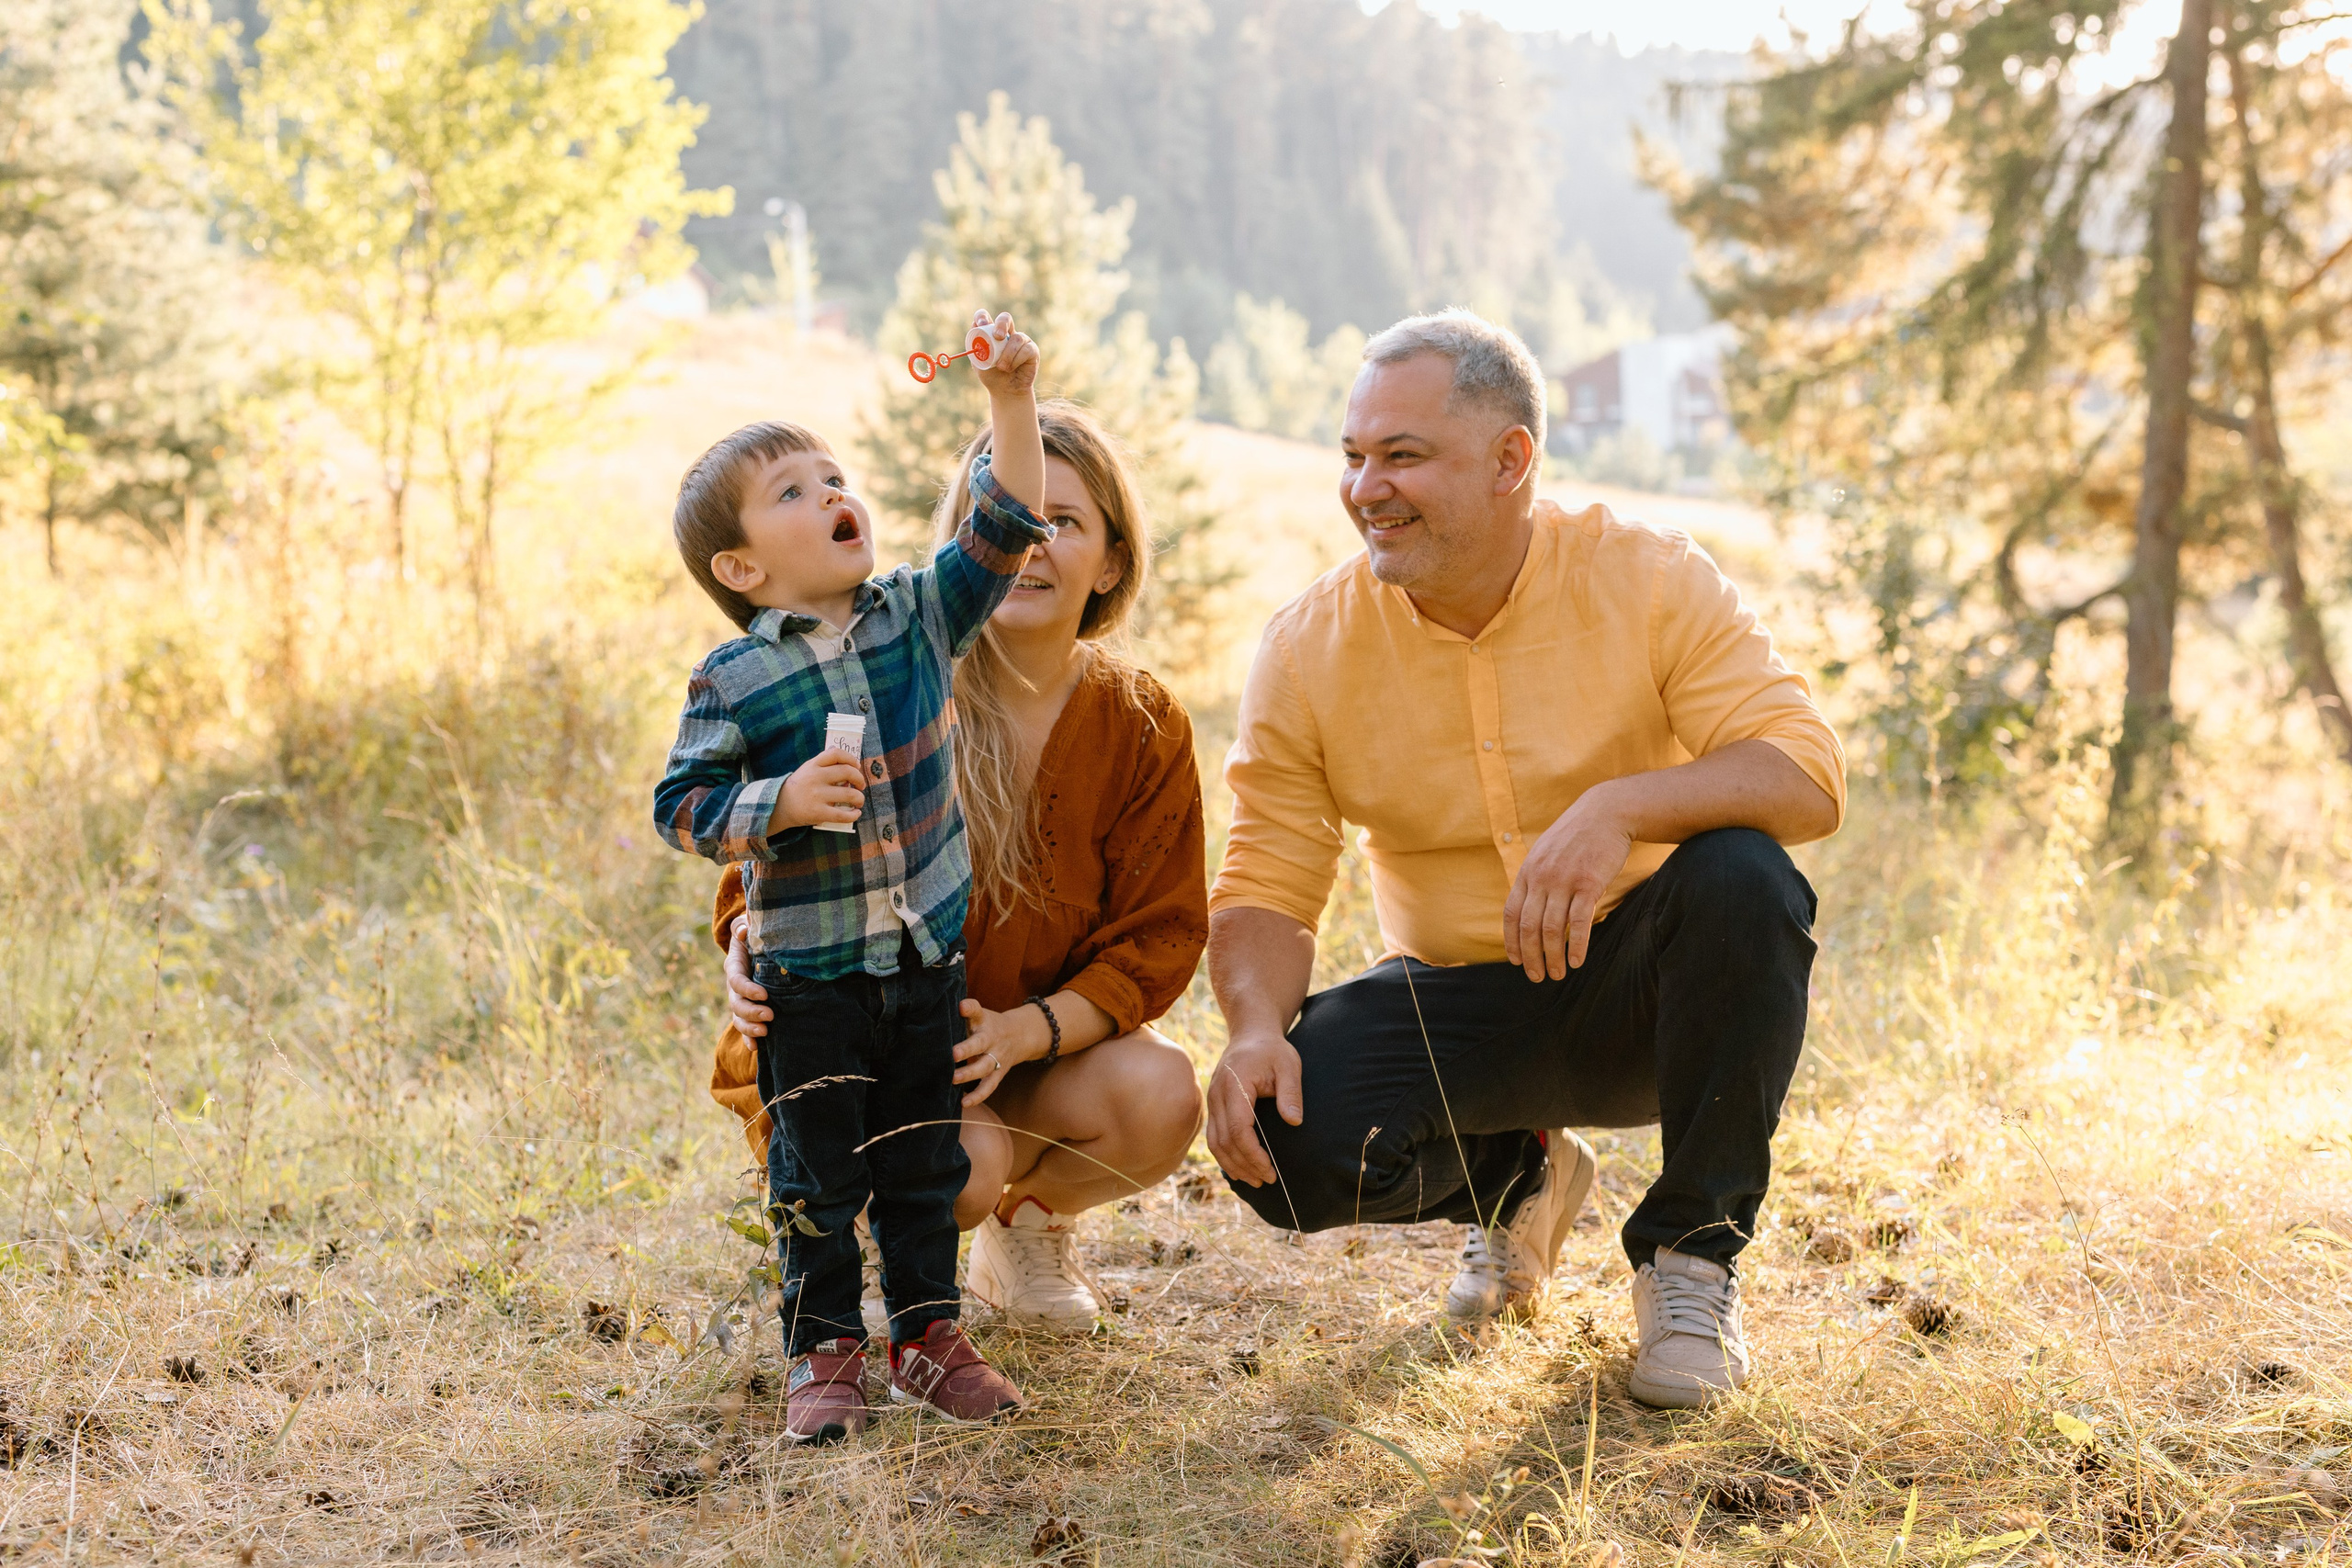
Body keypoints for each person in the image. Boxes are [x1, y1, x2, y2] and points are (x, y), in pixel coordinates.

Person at [1204, 310, 1845, 1410]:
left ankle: (1689, 1264)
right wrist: (1256, 1028)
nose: (1366, 488)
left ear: (1512, 462)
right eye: (1354, 457)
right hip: (1461, 1006)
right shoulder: (1309, 644)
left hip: (1649, 1004)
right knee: (1279, 1134)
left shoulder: (1645, 578)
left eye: (1403, 456)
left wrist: (1622, 807)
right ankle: (1519, 1179)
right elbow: (1268, 877)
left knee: (1744, 875)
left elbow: (1805, 773)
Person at [710, 400, 1207, 1335]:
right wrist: (745, 953)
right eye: (1017, 514)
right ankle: (839, 1258)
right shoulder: (879, 679)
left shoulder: (1141, 722)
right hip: (872, 1046)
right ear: (973, 536)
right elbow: (764, 861)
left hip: (1030, 1047)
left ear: (1110, 562)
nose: (1035, 544)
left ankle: (1025, 1234)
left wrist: (1027, 1033)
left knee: (1161, 1093)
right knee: (956, 1165)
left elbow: (1161, 933)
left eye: (1067, 523)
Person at [651, 310, 1047, 1445]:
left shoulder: (919, 616)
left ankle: (927, 1338)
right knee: (815, 1178)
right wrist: (776, 806)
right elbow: (678, 808)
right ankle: (822, 1353)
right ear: (741, 566)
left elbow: (1006, 520)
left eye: (834, 474)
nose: (832, 491)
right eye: (792, 490)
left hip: (922, 960)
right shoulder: (734, 678)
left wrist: (1010, 401)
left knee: (923, 1163)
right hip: (810, 983)